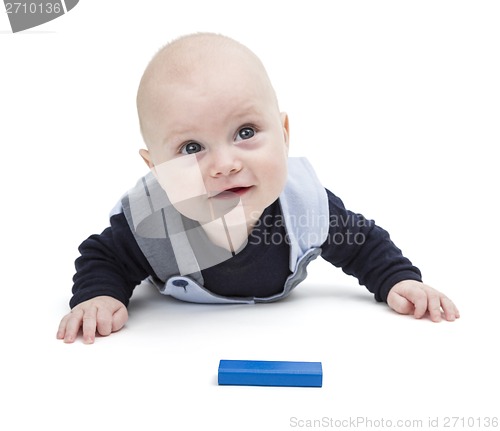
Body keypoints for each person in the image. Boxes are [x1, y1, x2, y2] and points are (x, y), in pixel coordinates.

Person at [57, 33, 460, 344]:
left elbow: (363, 243)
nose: (226, 164)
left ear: (284, 135)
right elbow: (103, 255)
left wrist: (398, 280)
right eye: (191, 148)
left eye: (245, 132)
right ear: (157, 170)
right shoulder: (151, 223)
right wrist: (100, 296)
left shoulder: (305, 207)